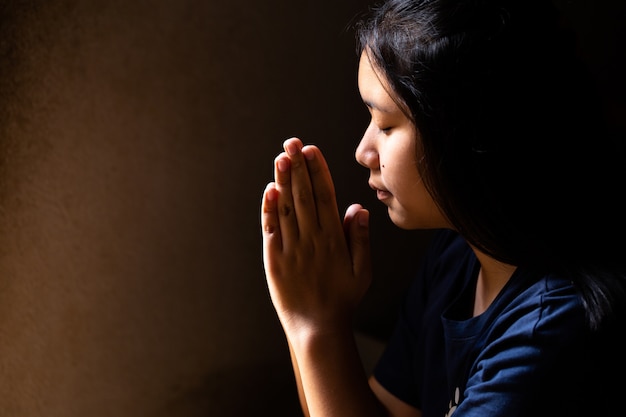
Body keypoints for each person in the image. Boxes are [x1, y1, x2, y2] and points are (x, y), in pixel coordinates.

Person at [260, 0, 626, 415]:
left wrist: (316, 324)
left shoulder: (547, 331)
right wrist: (306, 311)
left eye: (385, 125)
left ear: (466, 136)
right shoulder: (454, 260)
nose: (363, 151)